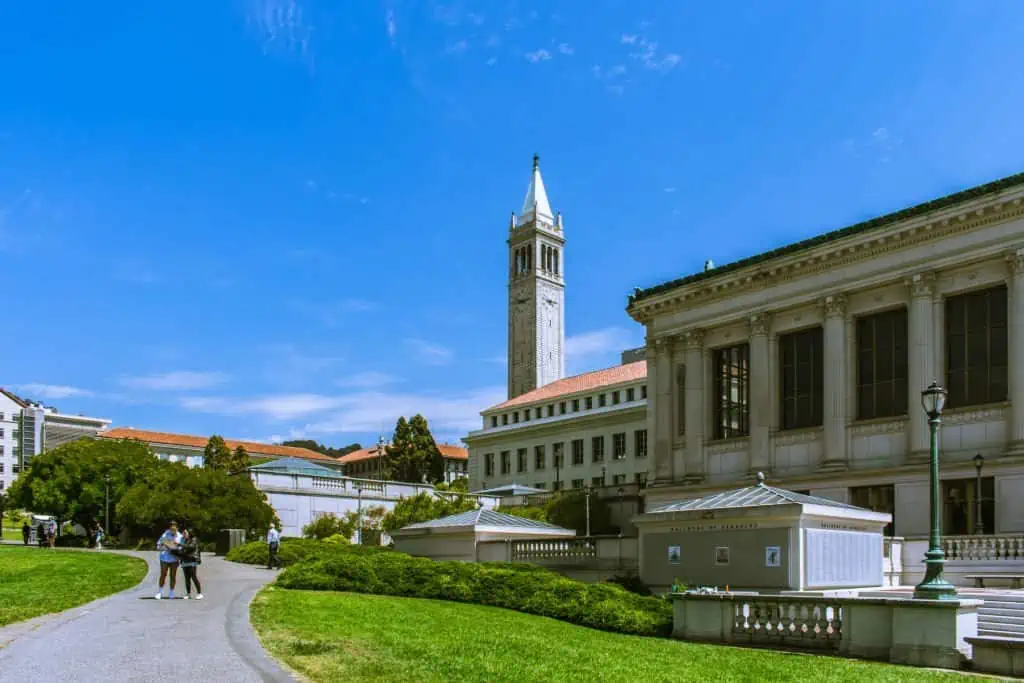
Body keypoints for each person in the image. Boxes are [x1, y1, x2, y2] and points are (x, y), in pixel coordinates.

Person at [155, 520, 183, 599]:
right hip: (164, 557)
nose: (173, 530)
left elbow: (182, 548)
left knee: (173, 575)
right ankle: (159, 592)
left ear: (177, 528)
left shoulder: (180, 536)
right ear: (169, 528)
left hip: (174, 558)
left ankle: (171, 592)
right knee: (163, 574)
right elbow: (158, 546)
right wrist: (165, 547)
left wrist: (176, 548)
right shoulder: (165, 534)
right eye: (171, 528)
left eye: (174, 528)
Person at [179, 528, 204, 600]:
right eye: (183, 533)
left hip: (192, 560)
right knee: (187, 578)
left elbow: (191, 547)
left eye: (185, 533)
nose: (184, 534)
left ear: (189, 533)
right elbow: (183, 550)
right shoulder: (185, 540)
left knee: (193, 577)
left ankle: (199, 593)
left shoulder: (194, 539)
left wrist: (180, 545)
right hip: (185, 561)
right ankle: (188, 593)